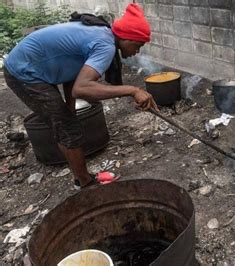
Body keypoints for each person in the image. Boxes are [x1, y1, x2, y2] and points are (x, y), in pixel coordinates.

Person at [3, 3, 157, 189]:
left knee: (67, 121)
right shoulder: (105, 45)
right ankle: (85, 184)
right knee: (67, 128)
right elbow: (82, 88)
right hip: (23, 73)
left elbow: (73, 74)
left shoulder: (101, 34)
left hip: (33, 66)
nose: (137, 51)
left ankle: (81, 178)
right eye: (138, 45)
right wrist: (132, 90)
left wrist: (70, 108)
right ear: (126, 37)